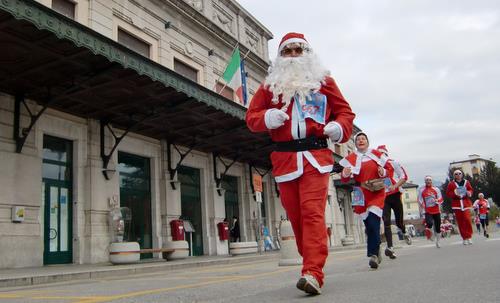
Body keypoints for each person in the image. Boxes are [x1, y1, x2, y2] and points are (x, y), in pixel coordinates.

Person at [246, 32, 355, 295]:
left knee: (312, 213)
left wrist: (337, 127)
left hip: (316, 158)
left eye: (299, 51)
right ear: (281, 56)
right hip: (285, 160)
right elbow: (251, 117)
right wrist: (267, 117)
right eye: (288, 51)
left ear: (307, 54)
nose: (294, 55)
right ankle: (311, 265)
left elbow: (345, 112)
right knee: (295, 218)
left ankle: (312, 272)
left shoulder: (324, 81)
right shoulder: (270, 86)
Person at [340, 132, 391, 269]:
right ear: (355, 143)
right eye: (358, 139)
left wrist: (383, 173)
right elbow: (345, 178)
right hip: (360, 192)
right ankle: (377, 247)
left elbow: (388, 171)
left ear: (368, 142)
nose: (361, 140)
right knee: (368, 225)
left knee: (374, 221)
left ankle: (373, 254)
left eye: (363, 139)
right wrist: (344, 174)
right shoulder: (351, 158)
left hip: (376, 191)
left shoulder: (376, 154)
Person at [376, 145, 410, 259]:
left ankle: (404, 232)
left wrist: (395, 186)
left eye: (382, 154)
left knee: (399, 221)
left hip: (395, 195)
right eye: (378, 154)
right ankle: (390, 248)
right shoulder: (375, 166)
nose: (381, 157)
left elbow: (404, 176)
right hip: (383, 197)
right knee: (386, 222)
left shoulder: (393, 163)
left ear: (386, 154)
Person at [446, 170, 474, 245]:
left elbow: (470, 189)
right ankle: (464, 238)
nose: (458, 175)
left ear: (462, 174)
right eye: (456, 174)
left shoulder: (466, 182)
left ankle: (469, 236)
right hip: (457, 204)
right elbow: (448, 193)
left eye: (459, 173)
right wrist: (455, 193)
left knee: (467, 219)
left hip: (465, 203)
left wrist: (469, 193)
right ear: (454, 175)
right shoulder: (451, 184)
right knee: (461, 222)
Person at [417, 176, 444, 248]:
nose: (428, 181)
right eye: (427, 180)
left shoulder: (436, 189)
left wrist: (437, 200)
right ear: (425, 182)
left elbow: (441, 198)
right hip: (427, 210)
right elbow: (419, 199)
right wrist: (422, 205)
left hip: (436, 210)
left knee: (438, 227)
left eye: (430, 180)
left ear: (432, 181)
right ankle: (431, 234)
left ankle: (438, 241)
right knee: (429, 223)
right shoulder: (421, 190)